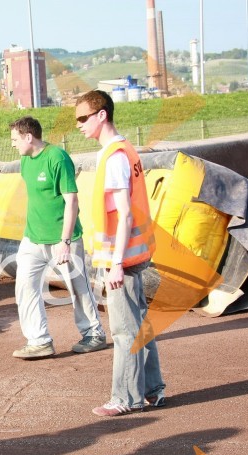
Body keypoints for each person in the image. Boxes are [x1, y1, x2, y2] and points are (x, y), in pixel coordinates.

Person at [75, 89, 165, 417]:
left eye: (84, 118)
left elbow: (124, 214)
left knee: (125, 330)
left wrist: (115, 263)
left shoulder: (114, 157)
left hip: (122, 260)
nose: (79, 125)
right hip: (133, 254)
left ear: (102, 115)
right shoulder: (125, 149)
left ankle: (125, 398)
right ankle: (153, 390)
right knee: (139, 324)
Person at [8, 116, 106, 359]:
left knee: (78, 287)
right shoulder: (24, 160)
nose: (13, 144)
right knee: (25, 287)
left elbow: (71, 200)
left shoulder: (57, 157)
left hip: (63, 238)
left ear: (28, 137)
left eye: (15, 139)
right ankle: (39, 341)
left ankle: (94, 334)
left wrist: (65, 242)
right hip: (33, 238)